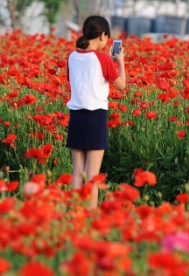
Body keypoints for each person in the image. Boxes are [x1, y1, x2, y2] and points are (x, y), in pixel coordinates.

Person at [66, 15, 126, 208]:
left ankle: (72, 214)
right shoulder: (103, 60)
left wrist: (106, 60)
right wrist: (120, 61)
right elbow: (121, 86)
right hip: (95, 118)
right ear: (102, 36)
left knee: (77, 172)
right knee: (92, 175)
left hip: (76, 117)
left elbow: (84, 74)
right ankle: (90, 216)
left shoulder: (72, 56)